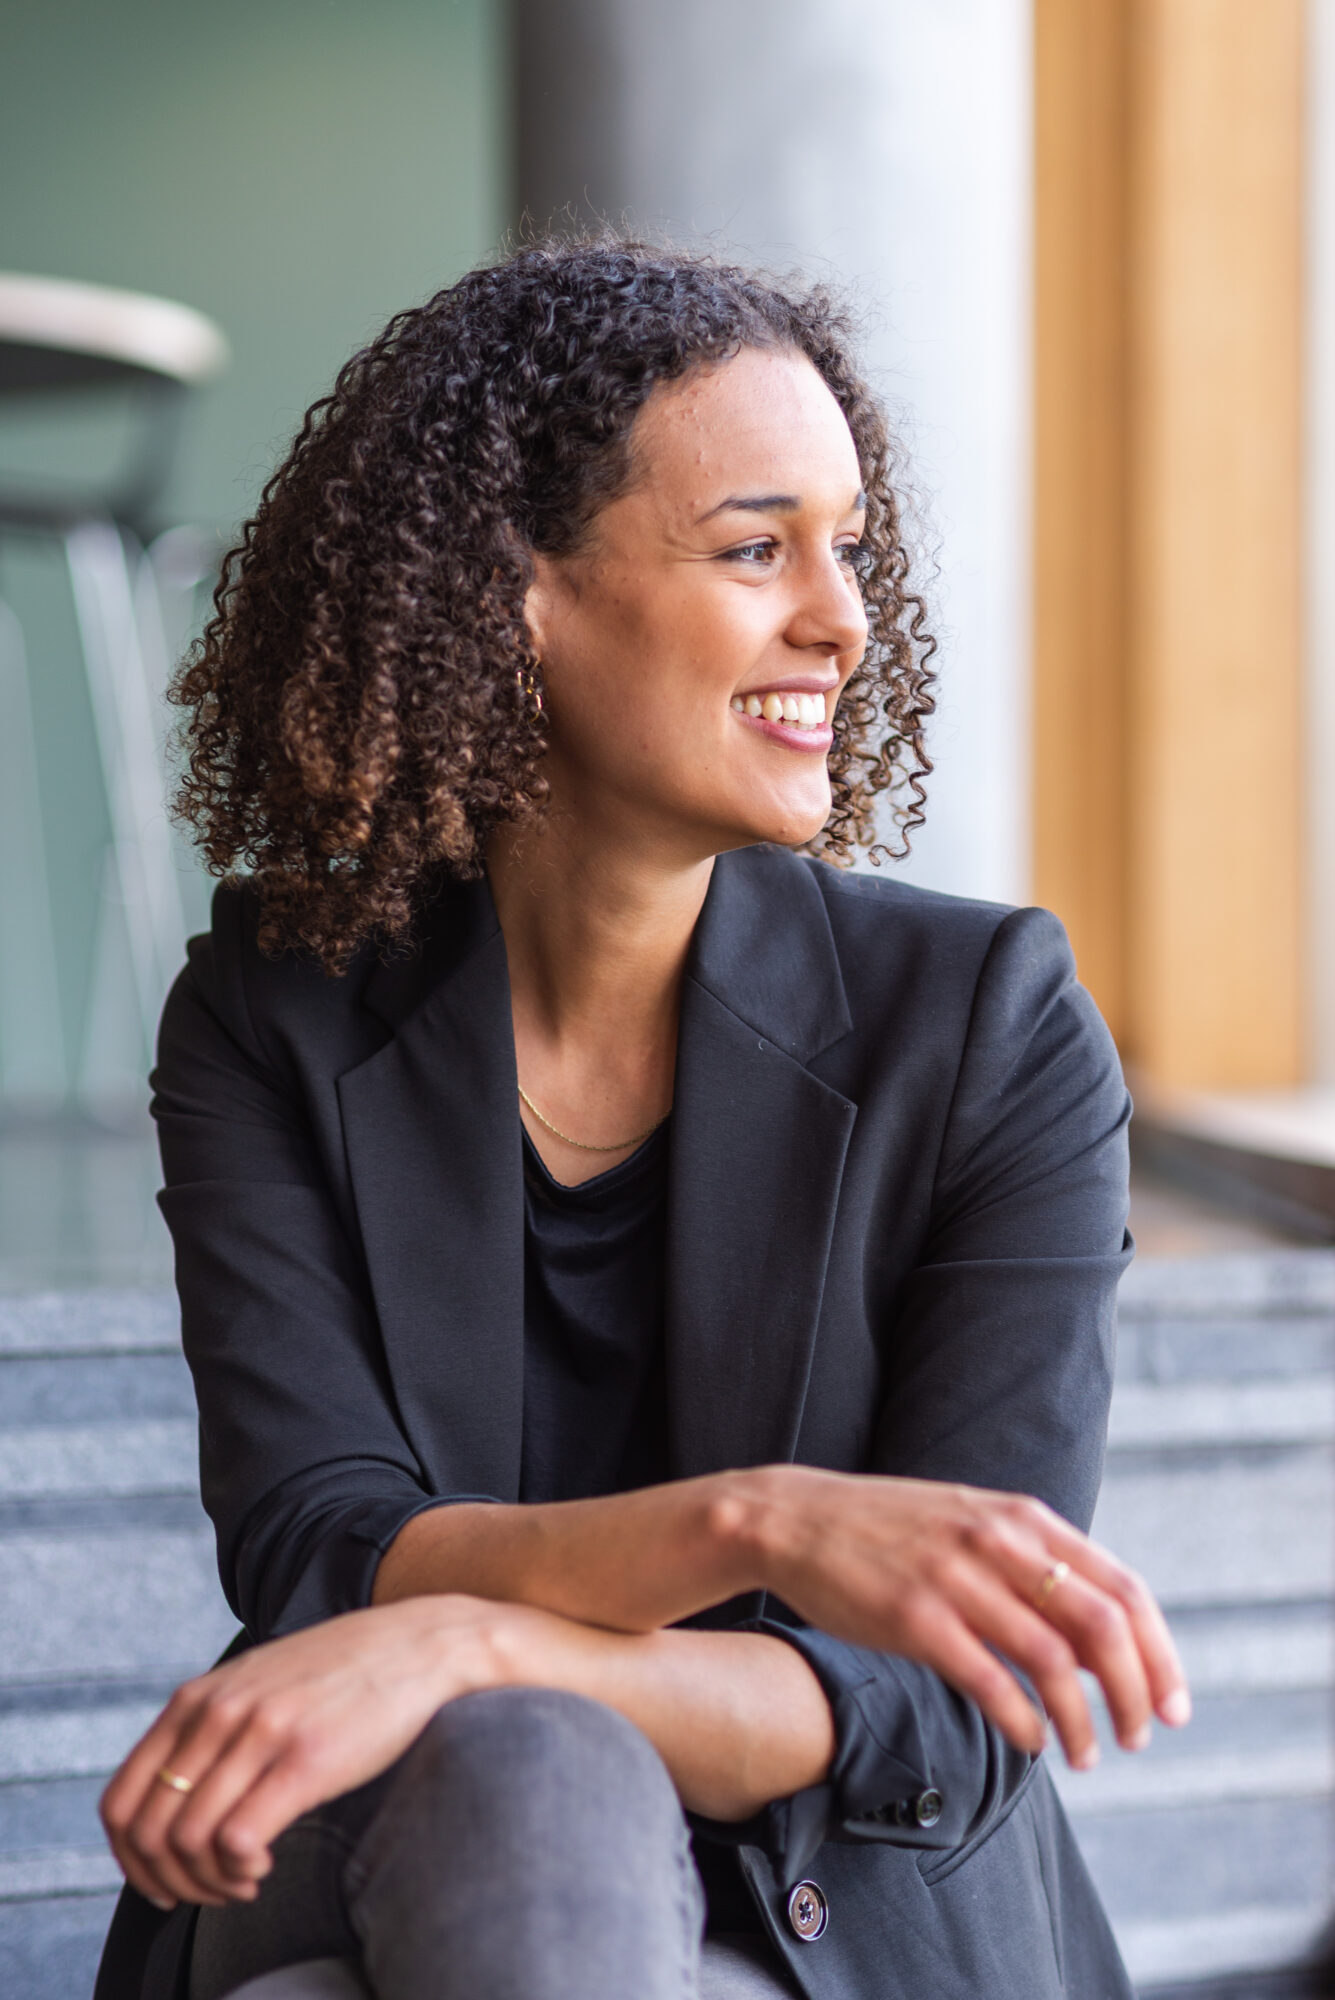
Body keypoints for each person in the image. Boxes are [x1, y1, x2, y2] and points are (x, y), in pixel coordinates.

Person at [94, 238, 1188, 2000]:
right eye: (758, 550)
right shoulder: (267, 1011)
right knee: (524, 1767)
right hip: (357, 1823)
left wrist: (463, 1642)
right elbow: (321, 1540)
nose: (840, 616)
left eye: (850, 548)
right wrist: (758, 1527)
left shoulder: (990, 1025)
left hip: (849, 1878)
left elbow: (937, 1700)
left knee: (517, 1760)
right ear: (512, 594)